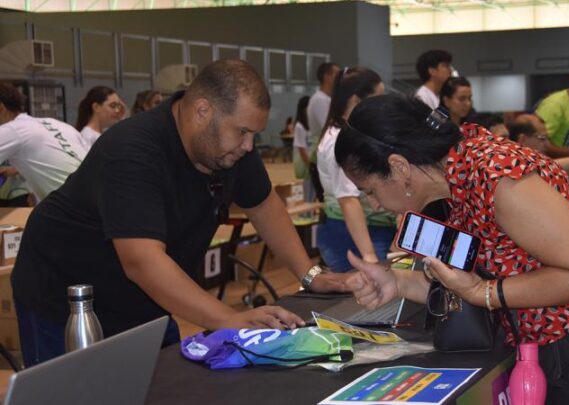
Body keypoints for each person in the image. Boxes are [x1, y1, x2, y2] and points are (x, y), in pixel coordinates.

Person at [334, 94, 569, 404]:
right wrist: (397, 283)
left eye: (369, 190)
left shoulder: (493, 175)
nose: (374, 204)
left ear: (398, 167)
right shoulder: (457, 185)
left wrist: (484, 292)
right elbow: (472, 282)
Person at [11, 59, 350, 367]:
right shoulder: (132, 151)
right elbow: (141, 261)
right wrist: (227, 318)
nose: (249, 146)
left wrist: (310, 274)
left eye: (254, 135)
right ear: (202, 110)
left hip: (144, 298)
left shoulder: (230, 149)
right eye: (243, 131)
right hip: (65, 298)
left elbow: (264, 205)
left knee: (163, 383)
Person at [316, 67, 395, 272]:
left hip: (373, 230)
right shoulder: (337, 140)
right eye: (377, 99)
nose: (382, 106)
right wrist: (369, 256)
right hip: (351, 235)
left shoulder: (353, 134)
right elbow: (348, 200)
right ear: (355, 101)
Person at [0, 82, 86, 202]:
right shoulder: (57, 124)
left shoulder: (12, 129)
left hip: (77, 210)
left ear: (1, 108)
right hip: (102, 201)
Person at [75, 86, 123, 150]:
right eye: (112, 106)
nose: (117, 110)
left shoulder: (105, 133)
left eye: (118, 106)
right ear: (96, 107)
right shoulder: (87, 137)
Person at [307, 62, 340, 152]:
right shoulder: (320, 100)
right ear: (327, 77)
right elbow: (330, 129)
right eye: (337, 75)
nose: (340, 79)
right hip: (322, 151)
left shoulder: (326, 99)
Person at [292, 96, 314, 201]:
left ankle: (310, 213)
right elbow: (301, 148)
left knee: (314, 190)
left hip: (312, 161)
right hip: (305, 162)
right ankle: (305, 215)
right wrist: (309, 164)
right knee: (307, 189)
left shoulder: (311, 124)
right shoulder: (299, 126)